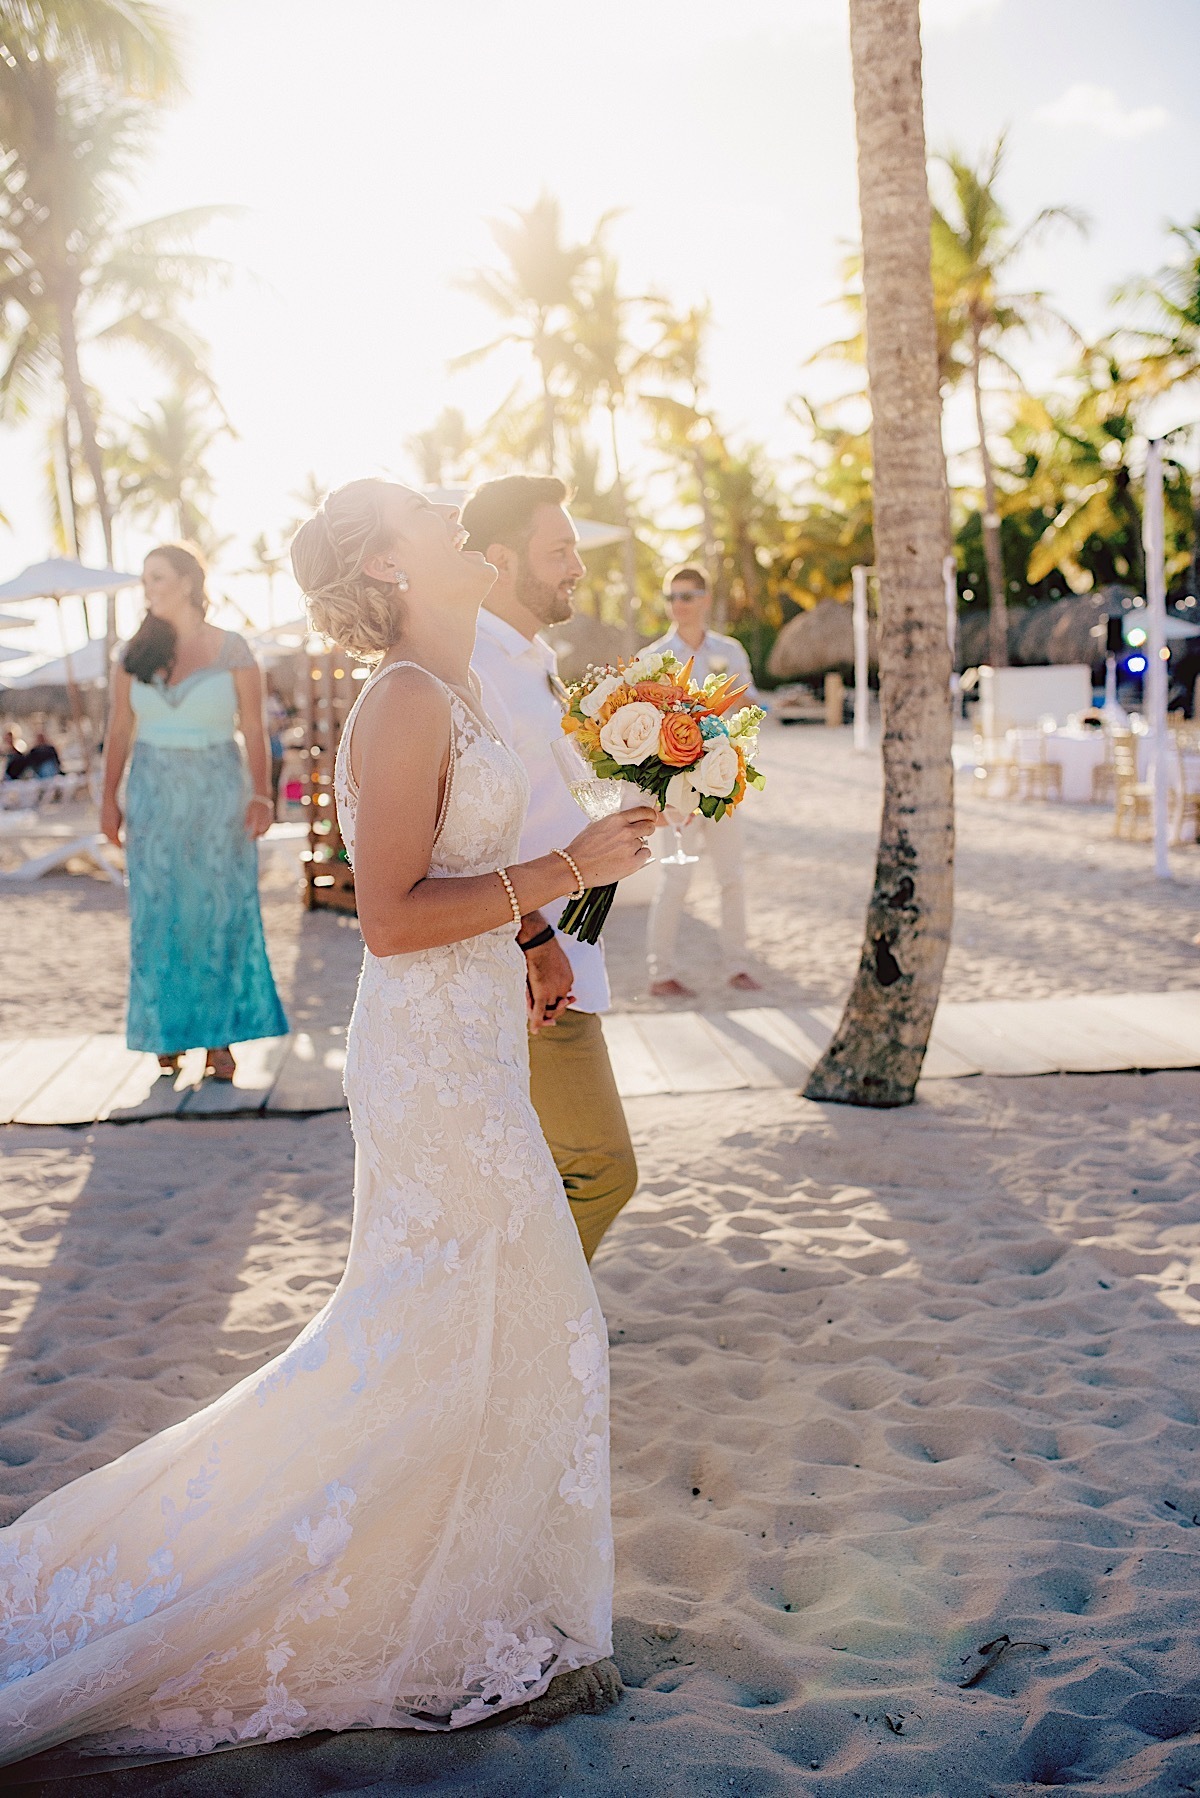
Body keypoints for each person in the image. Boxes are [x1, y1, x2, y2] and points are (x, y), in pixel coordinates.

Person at [0, 481, 654, 1766]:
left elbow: (450, 874)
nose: (461, 531)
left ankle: (484, 1609)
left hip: (472, 1036)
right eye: (432, 518)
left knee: (497, 1319)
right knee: (483, 1317)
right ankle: (461, 1622)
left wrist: (529, 939)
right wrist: (576, 870)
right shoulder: (403, 699)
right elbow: (395, 913)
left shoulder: (449, 687)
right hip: (429, 1063)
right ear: (389, 568)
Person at [464, 475, 639, 1264]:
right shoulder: (476, 667)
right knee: (601, 1167)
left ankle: (525, 1334)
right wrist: (533, 937)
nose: (576, 565)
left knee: (541, 1167)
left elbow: (555, 787)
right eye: (559, 549)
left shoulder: (534, 655)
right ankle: (524, 1326)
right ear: (501, 558)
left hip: (571, 942)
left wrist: (646, 798)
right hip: (530, 960)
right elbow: (467, 831)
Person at [99, 542, 287, 1081]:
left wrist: (261, 794)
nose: (149, 588)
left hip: (219, 794)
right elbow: (119, 730)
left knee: (221, 910)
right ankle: (167, 1031)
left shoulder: (234, 649)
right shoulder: (132, 654)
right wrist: (107, 801)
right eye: (144, 580)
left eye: (157, 577)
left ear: (187, 581)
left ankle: (219, 1039)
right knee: (159, 912)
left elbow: (254, 727)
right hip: (153, 793)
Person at [645, 563, 763, 998]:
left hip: (726, 778)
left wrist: (727, 698)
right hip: (676, 787)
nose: (679, 605)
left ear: (705, 599)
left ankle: (737, 965)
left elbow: (749, 705)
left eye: (688, 596)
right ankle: (660, 974)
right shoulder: (653, 657)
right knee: (675, 879)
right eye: (672, 597)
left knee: (731, 877)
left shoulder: (729, 651)